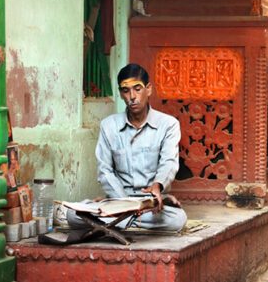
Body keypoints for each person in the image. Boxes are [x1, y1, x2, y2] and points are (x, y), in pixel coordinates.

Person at [66, 63, 187, 232]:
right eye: (126, 90)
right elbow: (105, 171)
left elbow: (169, 163)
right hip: (118, 201)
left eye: (138, 89)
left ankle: (114, 224)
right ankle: (125, 220)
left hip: (150, 203)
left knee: (177, 220)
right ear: (121, 93)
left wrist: (158, 186)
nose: (132, 96)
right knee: (71, 215)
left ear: (149, 89)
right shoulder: (109, 126)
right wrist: (123, 204)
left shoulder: (168, 125)